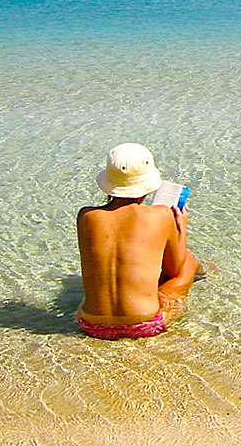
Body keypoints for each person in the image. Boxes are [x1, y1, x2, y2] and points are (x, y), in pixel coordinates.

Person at [76, 143, 202, 340]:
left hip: (91, 325)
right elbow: (174, 269)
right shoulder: (160, 215)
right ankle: (204, 273)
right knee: (189, 262)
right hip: (143, 325)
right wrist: (181, 226)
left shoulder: (86, 216)